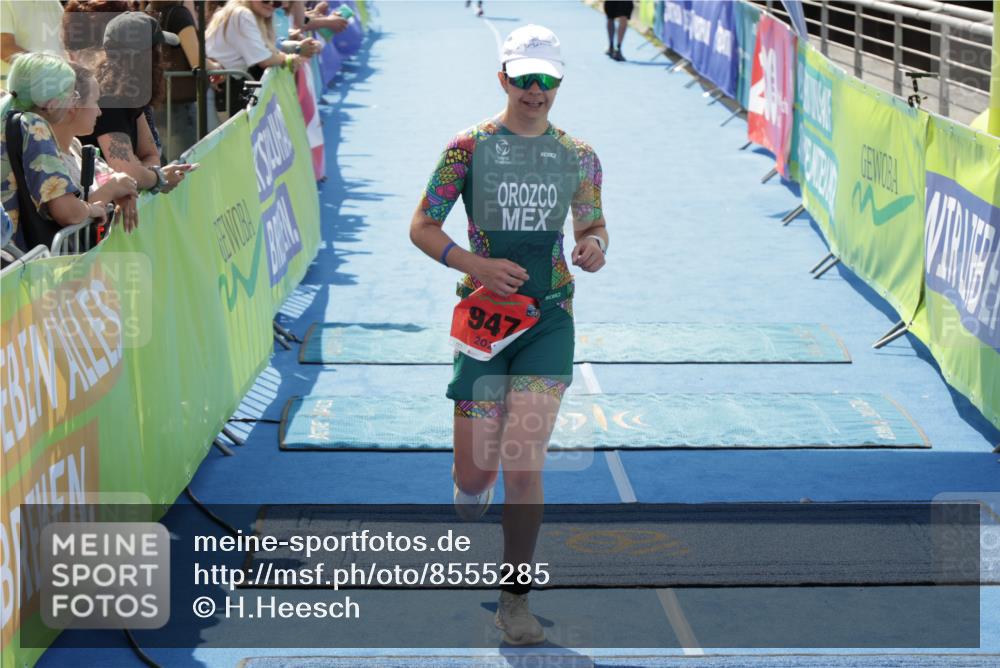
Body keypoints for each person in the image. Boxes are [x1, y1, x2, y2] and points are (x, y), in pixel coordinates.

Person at [409, 25, 607, 645]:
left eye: (546, 80)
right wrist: (477, 266)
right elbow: (421, 226)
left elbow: (594, 221)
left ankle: (514, 598)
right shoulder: (467, 149)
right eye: (523, 79)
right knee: (474, 481)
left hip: (549, 319)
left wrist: (593, 245)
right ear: (503, 78)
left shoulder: (578, 154)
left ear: (559, 84)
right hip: (484, 325)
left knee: (524, 464)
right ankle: (471, 479)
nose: (535, 91)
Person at [1, 53, 112, 250]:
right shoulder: (34, 127)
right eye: (72, 95)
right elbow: (67, 211)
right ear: (50, 104)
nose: (73, 103)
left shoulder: (5, 119)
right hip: (17, 259)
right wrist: (92, 209)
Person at [78, 12, 194, 196]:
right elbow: (126, 170)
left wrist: (145, 176)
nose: (163, 59)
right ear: (145, 56)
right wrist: (158, 178)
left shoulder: (129, 93)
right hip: (102, 214)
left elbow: (150, 154)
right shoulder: (108, 100)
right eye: (158, 50)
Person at [52, 63, 140, 234]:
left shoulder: (75, 145)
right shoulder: (48, 156)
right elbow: (71, 216)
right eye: (94, 101)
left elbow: (112, 176)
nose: (99, 111)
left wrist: (124, 189)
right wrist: (112, 189)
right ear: (74, 106)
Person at [206, 0, 320, 121]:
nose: (271, 3)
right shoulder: (242, 14)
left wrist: (285, 55)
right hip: (217, 92)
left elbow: (268, 52)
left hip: (220, 90)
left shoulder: (238, 12)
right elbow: (265, 59)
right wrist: (288, 58)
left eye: (277, 2)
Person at [0, 0, 65, 88]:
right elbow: (4, 48)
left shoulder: (53, 2)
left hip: (51, 88)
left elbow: (63, 45)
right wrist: (47, 68)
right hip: (18, 91)